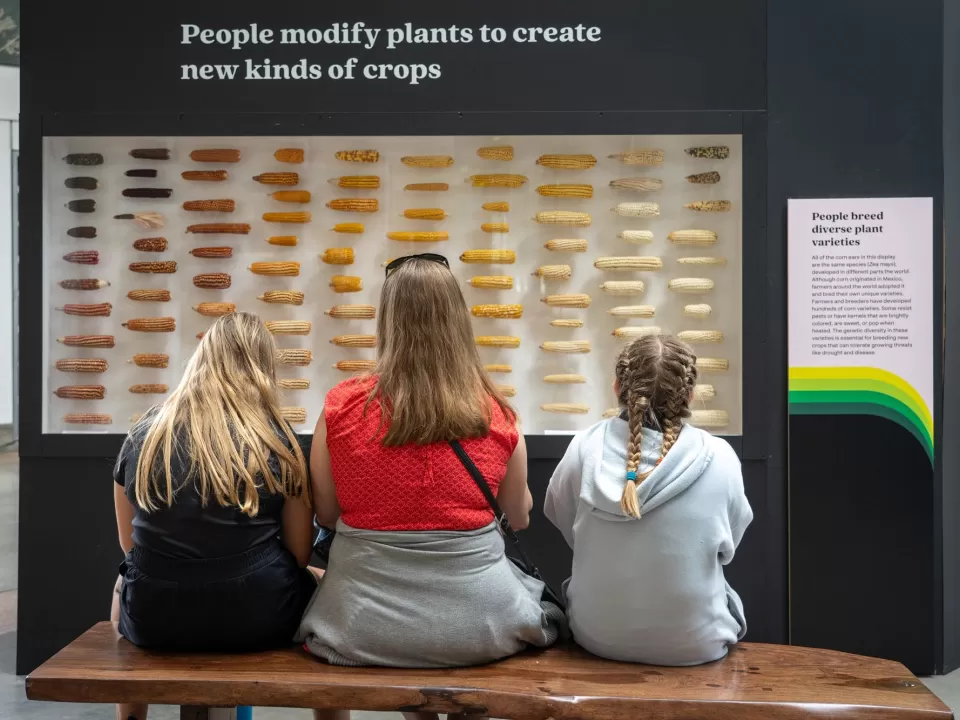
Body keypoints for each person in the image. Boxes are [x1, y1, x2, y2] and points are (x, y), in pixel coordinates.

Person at [298, 254, 564, 682]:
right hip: (482, 622)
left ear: (388, 320)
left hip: (358, 624)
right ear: (458, 320)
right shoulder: (494, 413)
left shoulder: (341, 408)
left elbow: (326, 515)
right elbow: (518, 516)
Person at [111, 312, 342, 720]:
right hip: (257, 615)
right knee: (325, 586)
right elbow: (299, 554)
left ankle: (131, 716)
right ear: (262, 370)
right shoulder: (279, 440)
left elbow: (130, 544)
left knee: (122, 577)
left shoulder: (144, 436)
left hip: (154, 617)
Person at [544, 335, 752, 666]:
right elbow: (728, 548)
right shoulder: (719, 456)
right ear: (690, 395)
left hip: (596, 638)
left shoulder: (582, 448)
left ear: (617, 387)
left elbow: (567, 524)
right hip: (698, 645)